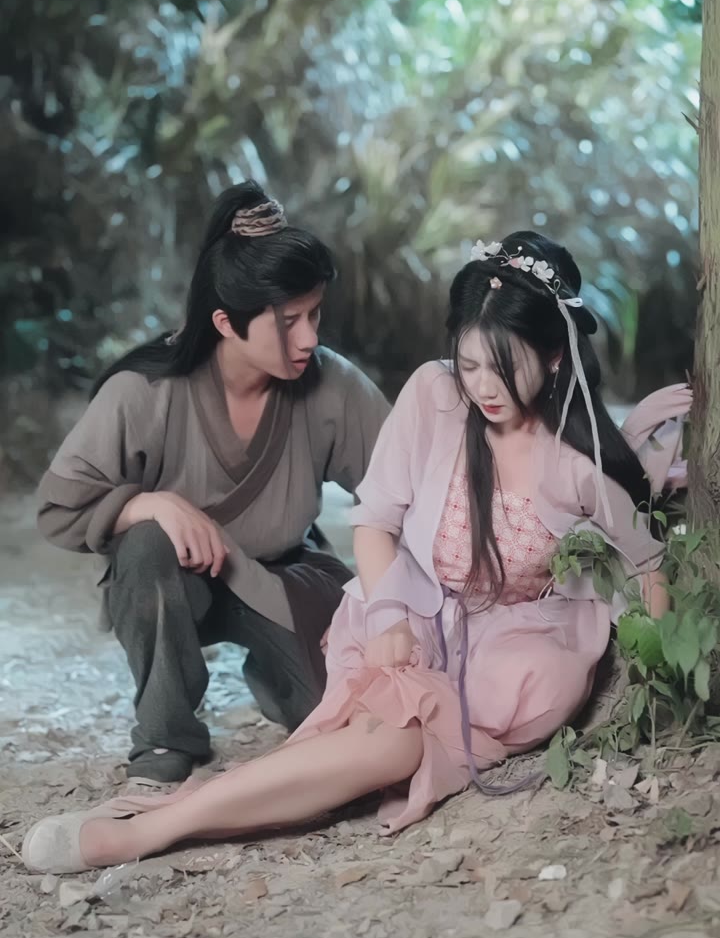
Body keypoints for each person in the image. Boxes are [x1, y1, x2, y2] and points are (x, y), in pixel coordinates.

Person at [23, 232, 692, 874]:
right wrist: (390, 613)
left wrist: (662, 685)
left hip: (512, 657)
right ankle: (154, 817)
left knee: (386, 746)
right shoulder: (436, 395)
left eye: (504, 367)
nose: (484, 387)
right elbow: (375, 515)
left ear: (553, 359)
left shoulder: (575, 467)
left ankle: (156, 825)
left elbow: (647, 562)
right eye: (469, 365)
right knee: (377, 742)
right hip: (421, 613)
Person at [35, 181, 389, 783]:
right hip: (176, 581)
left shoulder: (334, 385)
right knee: (144, 544)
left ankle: (275, 675)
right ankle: (166, 732)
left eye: (314, 314)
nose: (309, 337)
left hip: (284, 576)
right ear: (226, 322)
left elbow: (402, 488)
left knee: (345, 716)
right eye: (289, 321)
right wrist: (148, 505)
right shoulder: (143, 392)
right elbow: (57, 508)